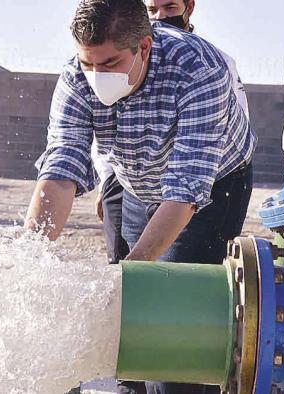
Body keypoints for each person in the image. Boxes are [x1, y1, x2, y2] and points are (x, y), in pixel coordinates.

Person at [26, 1, 255, 393]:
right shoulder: (75, 77)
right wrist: (28, 255)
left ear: (144, 47)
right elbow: (61, 168)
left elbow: (186, 189)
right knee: (129, 332)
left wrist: (131, 277)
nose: (97, 76)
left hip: (212, 190)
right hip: (137, 185)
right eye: (89, 63)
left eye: (111, 63)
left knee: (171, 330)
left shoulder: (199, 70)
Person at [93, 0, 252, 266]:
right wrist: (107, 178)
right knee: (126, 268)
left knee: (179, 273)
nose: (160, 18)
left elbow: (227, 127)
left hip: (206, 177)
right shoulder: (122, 59)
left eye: (170, 8)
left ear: (188, 7)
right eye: (151, 11)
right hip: (137, 182)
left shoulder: (209, 64)